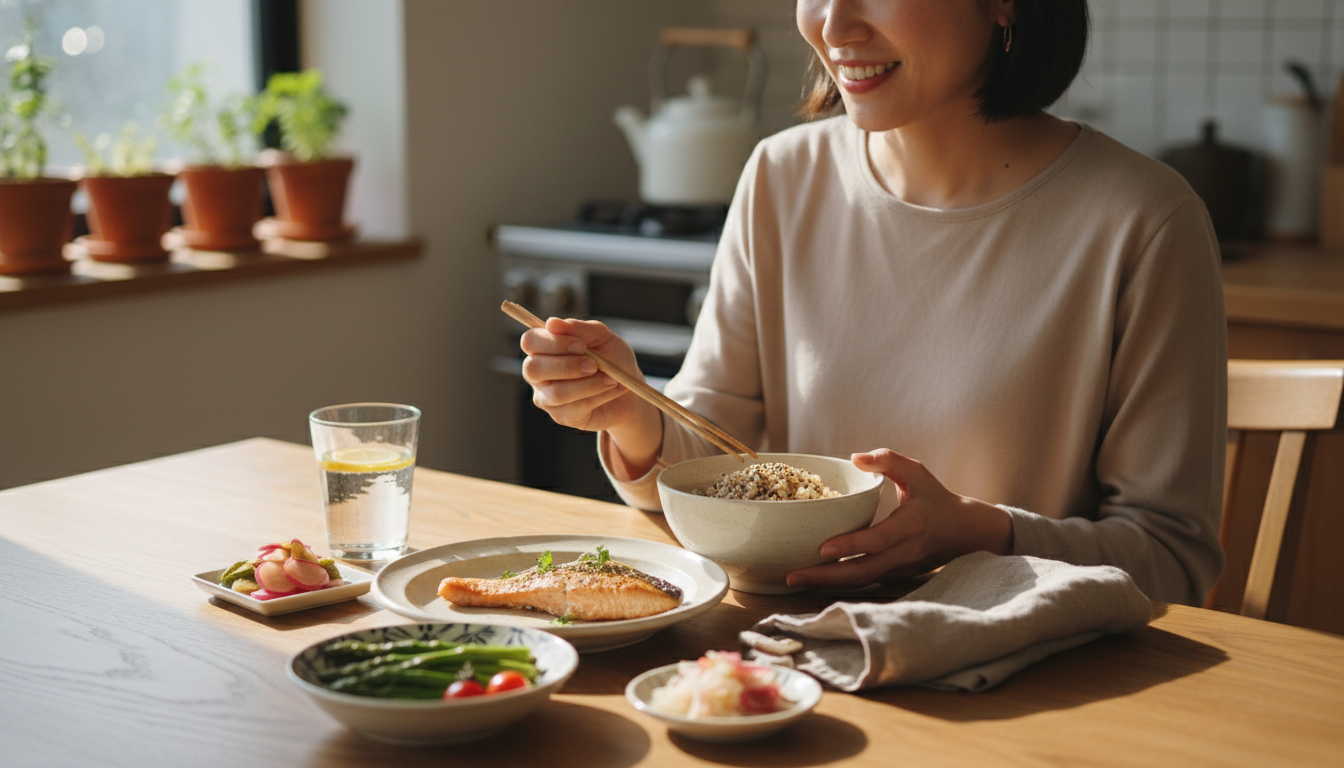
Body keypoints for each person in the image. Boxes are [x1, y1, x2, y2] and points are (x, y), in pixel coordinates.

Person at [518, 0, 1226, 606]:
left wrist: (984, 533)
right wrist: (634, 414)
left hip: (1023, 692)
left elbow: (1172, 562)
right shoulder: (782, 175)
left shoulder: (1144, 219)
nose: (833, 24)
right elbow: (703, 458)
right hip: (795, 658)